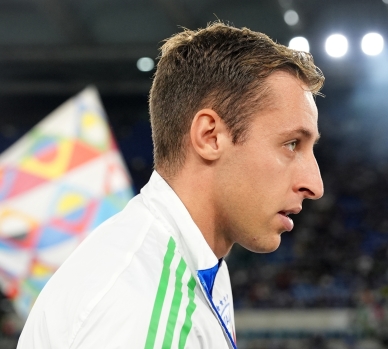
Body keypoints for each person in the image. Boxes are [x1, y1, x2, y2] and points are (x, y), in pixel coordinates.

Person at [18, 22, 325, 349]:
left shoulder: (188, 263)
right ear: (210, 137)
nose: (315, 185)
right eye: (291, 144)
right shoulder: (142, 307)